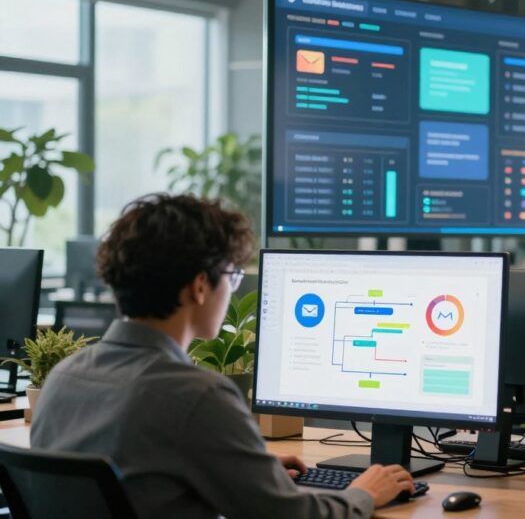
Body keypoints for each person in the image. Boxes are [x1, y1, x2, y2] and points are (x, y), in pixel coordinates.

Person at [31, 194, 415, 519]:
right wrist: (364, 493)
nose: (232, 289)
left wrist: (243, 469)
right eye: (231, 277)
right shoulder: (194, 395)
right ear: (200, 286)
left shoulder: (64, 376)